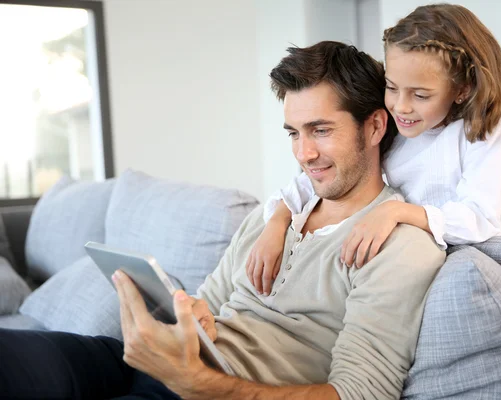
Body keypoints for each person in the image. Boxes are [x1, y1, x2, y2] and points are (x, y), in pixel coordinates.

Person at [0, 41, 446, 400]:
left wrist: (202, 386)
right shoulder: (276, 215)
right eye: (295, 133)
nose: (303, 154)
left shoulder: (399, 244)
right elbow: (208, 306)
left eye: (321, 130)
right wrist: (189, 321)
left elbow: (359, 393)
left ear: (374, 127)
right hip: (153, 365)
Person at [247, 3, 501, 296]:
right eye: (392, 87)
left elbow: (483, 217)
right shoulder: (396, 121)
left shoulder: (481, 127)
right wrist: (277, 223)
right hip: (418, 253)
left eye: (420, 94)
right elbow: (313, 179)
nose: (401, 107)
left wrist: (397, 212)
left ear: (462, 90)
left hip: (479, 258)